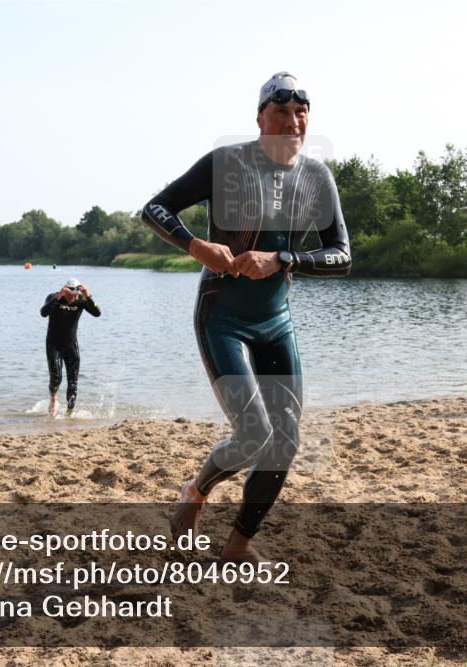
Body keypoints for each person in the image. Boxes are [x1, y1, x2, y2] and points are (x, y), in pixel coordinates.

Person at [141, 72, 351, 563]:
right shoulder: (226, 164)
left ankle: (237, 544)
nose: (293, 122)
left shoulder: (316, 177)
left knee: (286, 439)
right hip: (223, 318)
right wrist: (196, 245)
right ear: (260, 118)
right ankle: (195, 493)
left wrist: (284, 261)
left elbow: (342, 256)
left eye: (301, 113)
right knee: (255, 434)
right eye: (281, 112)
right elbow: (155, 209)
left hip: (276, 320)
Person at [40, 278, 101, 416]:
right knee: (56, 378)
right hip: (54, 344)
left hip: (71, 345)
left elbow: (97, 313)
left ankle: (69, 412)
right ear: (65, 289)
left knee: (73, 382)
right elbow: (43, 313)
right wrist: (58, 297)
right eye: (70, 295)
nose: (73, 298)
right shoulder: (53, 297)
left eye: (75, 295)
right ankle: (53, 397)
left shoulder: (81, 299)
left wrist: (87, 295)